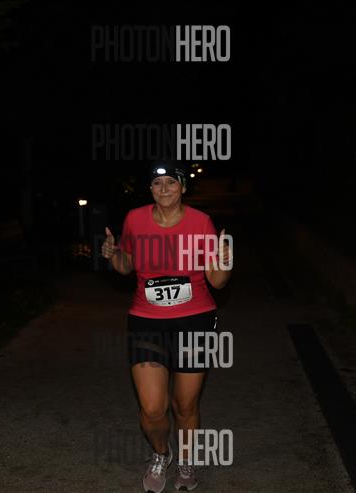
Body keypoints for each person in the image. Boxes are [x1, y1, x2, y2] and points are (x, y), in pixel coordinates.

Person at [102, 161, 232, 492]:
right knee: (152, 408)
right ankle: (162, 453)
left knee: (185, 405)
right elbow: (126, 265)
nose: (164, 189)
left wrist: (225, 261)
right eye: (157, 184)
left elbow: (217, 281)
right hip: (146, 320)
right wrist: (113, 254)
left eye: (171, 183)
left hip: (194, 320)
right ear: (150, 189)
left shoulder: (201, 222)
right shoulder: (135, 219)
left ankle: (186, 461)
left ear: (183, 188)